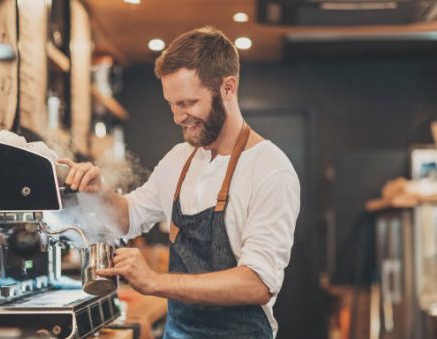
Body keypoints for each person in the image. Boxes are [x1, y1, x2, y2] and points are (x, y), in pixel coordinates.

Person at [58, 26, 300, 339]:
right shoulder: (179, 159)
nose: (177, 116)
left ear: (228, 88)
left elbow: (257, 284)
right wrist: (99, 192)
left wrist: (155, 281)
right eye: (171, 104)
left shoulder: (270, 169)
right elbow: (128, 219)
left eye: (187, 103)